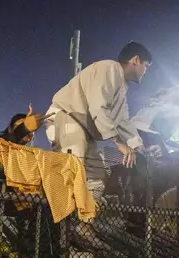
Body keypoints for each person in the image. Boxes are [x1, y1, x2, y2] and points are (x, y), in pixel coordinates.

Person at [44, 41, 152, 199]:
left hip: (83, 131)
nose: (146, 72)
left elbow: (123, 121)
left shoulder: (122, 85)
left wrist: (140, 148)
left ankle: (85, 222)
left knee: (97, 179)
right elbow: (98, 106)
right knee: (75, 170)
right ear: (135, 60)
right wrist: (118, 143)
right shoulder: (109, 68)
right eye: (146, 66)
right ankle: (51, 213)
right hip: (65, 117)